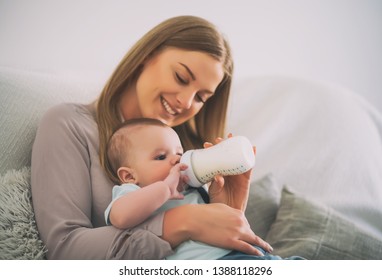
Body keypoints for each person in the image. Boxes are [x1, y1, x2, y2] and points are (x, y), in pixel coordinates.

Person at [31, 15, 269, 259]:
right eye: (181, 77)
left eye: (200, 98)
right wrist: (179, 222)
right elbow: (64, 249)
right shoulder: (71, 125)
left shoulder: (190, 154)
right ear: (147, 55)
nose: (186, 102)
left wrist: (230, 210)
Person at [104, 118, 303, 260]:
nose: (176, 159)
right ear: (129, 176)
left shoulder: (192, 187)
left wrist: (220, 197)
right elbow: (121, 218)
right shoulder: (133, 192)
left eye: (179, 153)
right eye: (161, 157)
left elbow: (222, 222)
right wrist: (164, 188)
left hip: (248, 254)